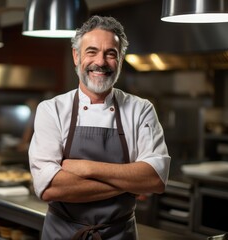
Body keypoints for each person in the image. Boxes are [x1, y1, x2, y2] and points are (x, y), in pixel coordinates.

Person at [28, 15, 171, 240]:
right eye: (91, 51)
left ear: (120, 60)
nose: (101, 62)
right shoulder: (52, 109)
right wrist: (130, 184)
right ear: (76, 56)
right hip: (62, 234)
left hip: (119, 235)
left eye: (110, 53)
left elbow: (154, 179)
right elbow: (50, 188)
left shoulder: (141, 109)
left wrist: (85, 168)